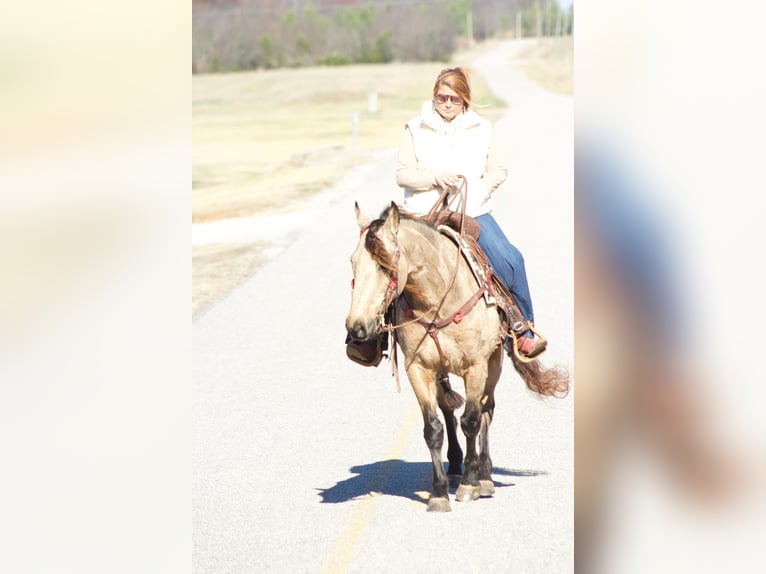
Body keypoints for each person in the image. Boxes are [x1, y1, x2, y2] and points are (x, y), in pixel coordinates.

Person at [395, 66, 545, 357]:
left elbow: (498, 169)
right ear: (434, 97)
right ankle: (368, 338)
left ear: (464, 99)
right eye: (441, 98)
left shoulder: (483, 129)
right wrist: (434, 177)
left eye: (453, 98)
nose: (447, 104)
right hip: (424, 212)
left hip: (472, 210)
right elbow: (403, 174)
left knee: (511, 260)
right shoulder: (414, 128)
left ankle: (523, 331)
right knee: (385, 262)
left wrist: (478, 190)